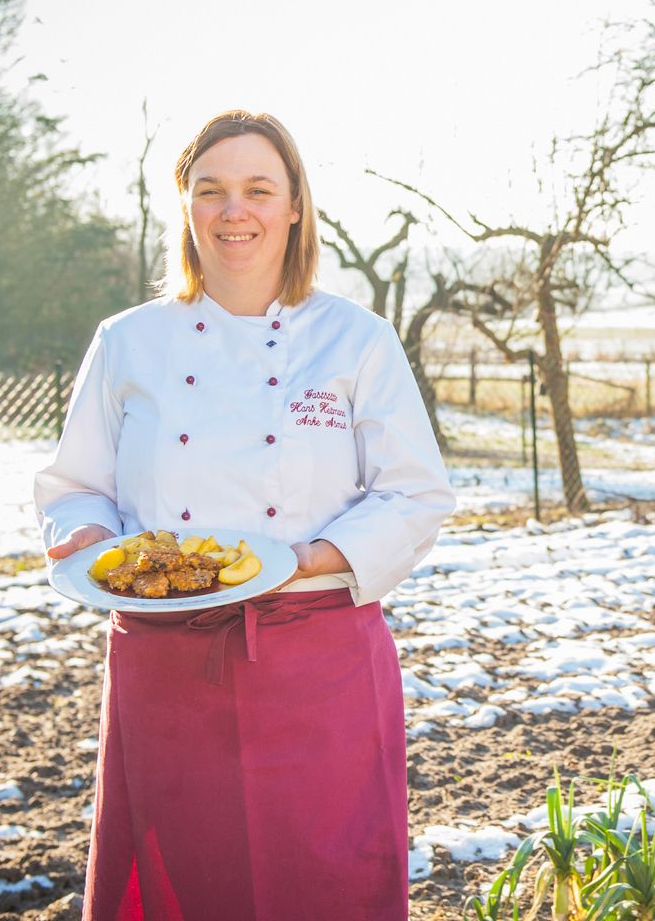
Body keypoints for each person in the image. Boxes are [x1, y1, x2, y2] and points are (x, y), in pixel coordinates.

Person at [34, 109, 455, 919]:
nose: (236, 211)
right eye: (211, 190)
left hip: (318, 658)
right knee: (185, 884)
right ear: (186, 206)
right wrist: (84, 539)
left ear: (295, 206)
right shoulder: (128, 341)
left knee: (326, 881)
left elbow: (415, 493)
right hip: (164, 661)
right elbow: (74, 483)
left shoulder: (355, 340)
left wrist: (306, 559)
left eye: (259, 189)